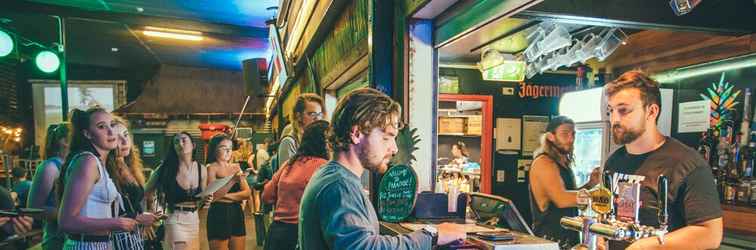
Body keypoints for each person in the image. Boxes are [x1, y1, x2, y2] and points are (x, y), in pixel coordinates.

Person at [299, 88, 466, 249]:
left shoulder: (331, 175)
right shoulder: (340, 186)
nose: (394, 149)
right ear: (357, 134)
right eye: (387, 137)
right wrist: (432, 235)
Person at [603, 70, 722, 249]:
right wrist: (601, 234)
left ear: (651, 111)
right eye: (610, 111)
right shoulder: (614, 162)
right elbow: (608, 215)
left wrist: (644, 246)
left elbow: (710, 234)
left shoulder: (687, 163)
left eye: (623, 110)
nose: (614, 119)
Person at [57, 107, 139, 249]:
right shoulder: (87, 161)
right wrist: (116, 223)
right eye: (101, 126)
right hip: (85, 244)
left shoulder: (101, 162)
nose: (110, 131)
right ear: (87, 134)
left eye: (112, 125)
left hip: (102, 243)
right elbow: (66, 221)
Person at [528, 116, 600, 249]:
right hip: (549, 240)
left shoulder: (562, 162)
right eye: (565, 134)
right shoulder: (544, 163)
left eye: (573, 134)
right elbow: (561, 199)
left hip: (566, 237)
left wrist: (590, 184)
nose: (571, 139)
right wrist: (600, 197)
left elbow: (568, 195)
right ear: (550, 137)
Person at [263, 120, 330, 250]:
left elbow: (266, 195)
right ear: (326, 143)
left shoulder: (289, 163)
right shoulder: (325, 167)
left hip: (276, 234)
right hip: (302, 235)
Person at [144, 132, 212, 250]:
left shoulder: (202, 169)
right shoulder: (165, 167)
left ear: (193, 145)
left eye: (184, 140)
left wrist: (206, 200)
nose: (180, 144)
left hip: (194, 219)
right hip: (175, 218)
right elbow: (146, 191)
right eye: (176, 142)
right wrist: (149, 212)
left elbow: (201, 202)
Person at [109, 116, 158, 249]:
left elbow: (135, 202)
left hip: (135, 235)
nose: (124, 141)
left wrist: (147, 214)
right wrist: (139, 217)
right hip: (118, 238)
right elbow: (111, 210)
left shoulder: (130, 165)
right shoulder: (107, 169)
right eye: (118, 137)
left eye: (126, 135)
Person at [28, 123, 69, 249]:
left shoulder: (74, 163)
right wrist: (72, 215)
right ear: (64, 141)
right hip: (57, 241)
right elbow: (33, 208)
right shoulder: (50, 167)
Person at [205, 133, 250, 250]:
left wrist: (223, 195)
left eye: (229, 148)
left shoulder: (236, 167)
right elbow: (213, 196)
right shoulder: (211, 167)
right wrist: (233, 182)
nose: (228, 151)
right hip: (218, 214)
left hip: (236, 213)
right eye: (223, 148)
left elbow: (247, 193)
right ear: (214, 150)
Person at [278, 94, 325, 165]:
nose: (317, 118)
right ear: (299, 116)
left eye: (320, 114)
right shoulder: (289, 143)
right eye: (312, 114)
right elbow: (287, 174)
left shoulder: (317, 140)